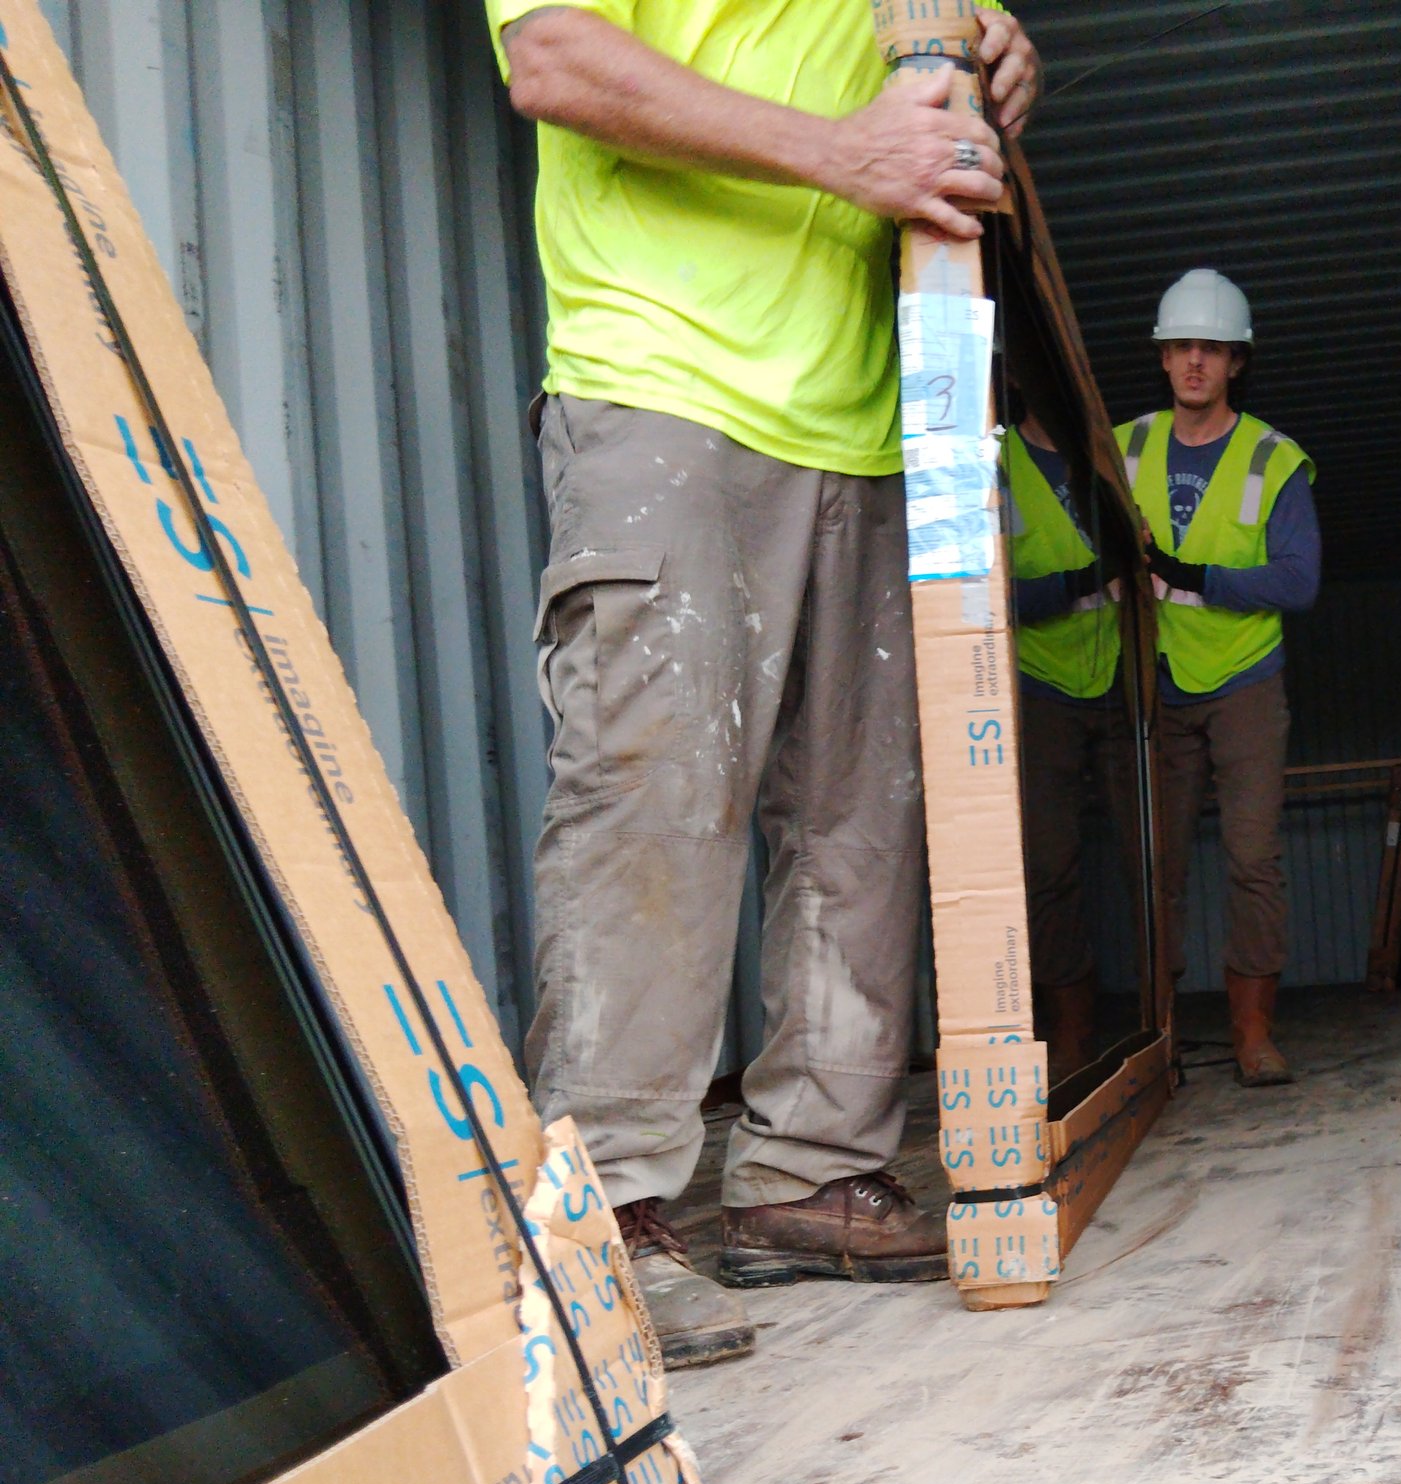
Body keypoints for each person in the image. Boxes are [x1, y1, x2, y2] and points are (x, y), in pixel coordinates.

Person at [489, 2, 1042, 1366]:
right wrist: (847, 154)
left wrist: (993, 62)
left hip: (864, 412)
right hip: (668, 376)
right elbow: (552, 61)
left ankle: (807, 1175)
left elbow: (919, 93)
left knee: (861, 822)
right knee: (657, 803)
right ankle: (605, 1221)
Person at [1116, 271, 1321, 1086]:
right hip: (1156, 681)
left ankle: (1251, 1032)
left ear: (1236, 361)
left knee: (1251, 857)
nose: (1194, 361)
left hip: (1243, 681)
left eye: (1211, 348)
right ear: (1163, 358)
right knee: (1154, 862)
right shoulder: (1124, 447)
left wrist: (1194, 575)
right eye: (1181, 347)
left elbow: (1299, 582)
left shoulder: (1274, 458)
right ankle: (1158, 1034)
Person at [1006, 412, 1139, 1079]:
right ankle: (1073, 1034)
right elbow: (986, 588)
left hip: (1122, 674)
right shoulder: (996, 464)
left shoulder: (1115, 459)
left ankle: (1161, 1023)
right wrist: (1079, 583)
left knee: (1150, 856)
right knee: (1049, 863)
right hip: (1040, 683)